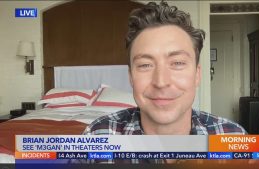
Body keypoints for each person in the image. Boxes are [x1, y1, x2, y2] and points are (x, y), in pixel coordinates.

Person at [79, 1, 246, 164]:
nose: (161, 82)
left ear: (197, 74)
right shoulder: (97, 137)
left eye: (178, 63)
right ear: (131, 77)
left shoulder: (234, 139)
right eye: (145, 65)